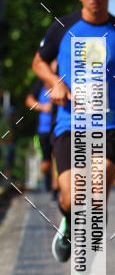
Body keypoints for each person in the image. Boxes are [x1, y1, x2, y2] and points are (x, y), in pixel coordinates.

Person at [32, 0, 115, 275]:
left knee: (94, 196)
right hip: (69, 124)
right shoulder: (62, 28)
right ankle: (68, 222)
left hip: (109, 126)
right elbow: (38, 62)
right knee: (71, 195)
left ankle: (87, 267)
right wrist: (55, 82)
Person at [26, 67, 58, 197]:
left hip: (58, 127)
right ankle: (47, 177)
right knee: (46, 162)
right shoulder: (39, 83)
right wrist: (43, 107)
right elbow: (29, 101)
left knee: (57, 158)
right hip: (44, 129)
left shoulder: (63, 81)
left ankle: (56, 188)